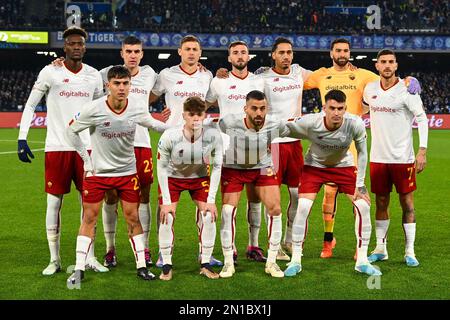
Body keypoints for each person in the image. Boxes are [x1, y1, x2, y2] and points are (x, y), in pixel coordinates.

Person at [303, 38, 422, 259]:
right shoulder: (320, 75)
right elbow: (294, 79)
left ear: (350, 53)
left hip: (354, 146)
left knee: (359, 196)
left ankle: (362, 246)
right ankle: (328, 241)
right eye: (338, 50)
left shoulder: (364, 75)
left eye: (346, 50)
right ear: (331, 53)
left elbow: (390, 80)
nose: (342, 53)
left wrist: (409, 79)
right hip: (327, 144)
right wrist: (263, 72)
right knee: (329, 196)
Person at [17, 26, 107, 275]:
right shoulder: (50, 72)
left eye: (80, 44)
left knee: (88, 205)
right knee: (53, 204)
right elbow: (31, 104)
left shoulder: (93, 76)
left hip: (87, 149)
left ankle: (89, 257)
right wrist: (22, 137)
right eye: (72, 43)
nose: (76, 47)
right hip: (57, 146)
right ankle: (54, 260)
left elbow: (99, 110)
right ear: (64, 47)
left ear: (85, 47)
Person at [65, 66, 168, 284]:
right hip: (97, 173)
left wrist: (182, 129)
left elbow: (155, 125)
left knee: (133, 217)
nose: (121, 88)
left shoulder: (137, 107)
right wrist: (86, 158)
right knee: (89, 218)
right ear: (107, 86)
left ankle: (141, 267)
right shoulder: (94, 108)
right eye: (117, 83)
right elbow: (71, 130)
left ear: (130, 85)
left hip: (127, 173)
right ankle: (80, 268)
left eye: (125, 83)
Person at [283, 89, 381, 277]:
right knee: (302, 207)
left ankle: (362, 260)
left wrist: (360, 184)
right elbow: (284, 128)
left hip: (343, 166)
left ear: (345, 109)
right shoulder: (311, 122)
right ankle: (295, 260)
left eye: (340, 108)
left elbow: (362, 152)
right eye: (332, 108)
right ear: (324, 108)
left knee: (363, 206)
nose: (336, 112)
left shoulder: (355, 123)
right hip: (314, 167)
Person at [151, 35, 222, 267]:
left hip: (199, 148)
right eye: (187, 49)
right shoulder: (166, 75)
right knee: (166, 210)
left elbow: (207, 103)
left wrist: (222, 75)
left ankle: (206, 253)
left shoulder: (206, 75)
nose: (191, 53)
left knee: (206, 212)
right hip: (172, 146)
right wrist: (158, 112)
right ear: (179, 51)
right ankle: (164, 253)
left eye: (195, 49)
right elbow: (149, 96)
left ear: (200, 53)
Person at [218, 90, 301, 278]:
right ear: (245, 108)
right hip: (234, 167)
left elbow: (301, 129)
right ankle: (228, 262)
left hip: (262, 167)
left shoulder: (275, 124)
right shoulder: (229, 122)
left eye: (262, 108)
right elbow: (209, 131)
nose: (258, 113)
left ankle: (271, 262)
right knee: (228, 211)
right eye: (254, 108)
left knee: (275, 209)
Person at [98, 36, 161, 268]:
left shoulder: (150, 74)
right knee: (111, 196)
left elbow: (159, 92)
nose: (133, 55)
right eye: (129, 51)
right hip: (113, 144)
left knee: (144, 196)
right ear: (121, 53)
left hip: (141, 144)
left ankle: (144, 249)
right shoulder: (105, 74)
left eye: (137, 51)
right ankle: (110, 249)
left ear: (142, 54)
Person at [363, 49, 428, 267]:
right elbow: (361, 107)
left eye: (391, 62)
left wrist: (422, 151)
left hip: (403, 158)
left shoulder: (407, 91)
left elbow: (422, 119)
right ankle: (381, 248)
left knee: (407, 203)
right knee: (380, 202)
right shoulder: (370, 89)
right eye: (383, 62)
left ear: (396, 65)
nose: (388, 65)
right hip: (378, 158)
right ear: (377, 66)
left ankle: (409, 250)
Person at [205, 40, 267, 263]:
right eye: (235, 53)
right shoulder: (218, 81)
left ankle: (254, 245)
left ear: (249, 57)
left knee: (255, 200)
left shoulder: (260, 80)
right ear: (229, 58)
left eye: (243, 53)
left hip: (256, 147)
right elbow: (205, 105)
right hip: (227, 149)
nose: (240, 56)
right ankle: (229, 247)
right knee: (229, 204)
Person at [157, 96, 223, 281]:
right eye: (191, 114)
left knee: (209, 215)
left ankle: (205, 263)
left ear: (204, 115)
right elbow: (161, 168)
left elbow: (217, 167)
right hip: (172, 178)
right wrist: (167, 203)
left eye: (199, 114)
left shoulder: (213, 136)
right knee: (166, 216)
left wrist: (211, 201)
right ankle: (167, 266)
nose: (195, 118)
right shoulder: (170, 136)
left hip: (199, 177)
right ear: (184, 115)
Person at [258, 37, 312, 261]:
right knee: (272, 198)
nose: (286, 56)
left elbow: (329, 74)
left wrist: (349, 67)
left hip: (295, 143)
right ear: (273, 55)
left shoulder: (299, 72)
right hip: (271, 144)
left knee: (297, 195)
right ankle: (274, 244)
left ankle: (290, 239)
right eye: (281, 52)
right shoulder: (262, 77)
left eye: (289, 52)